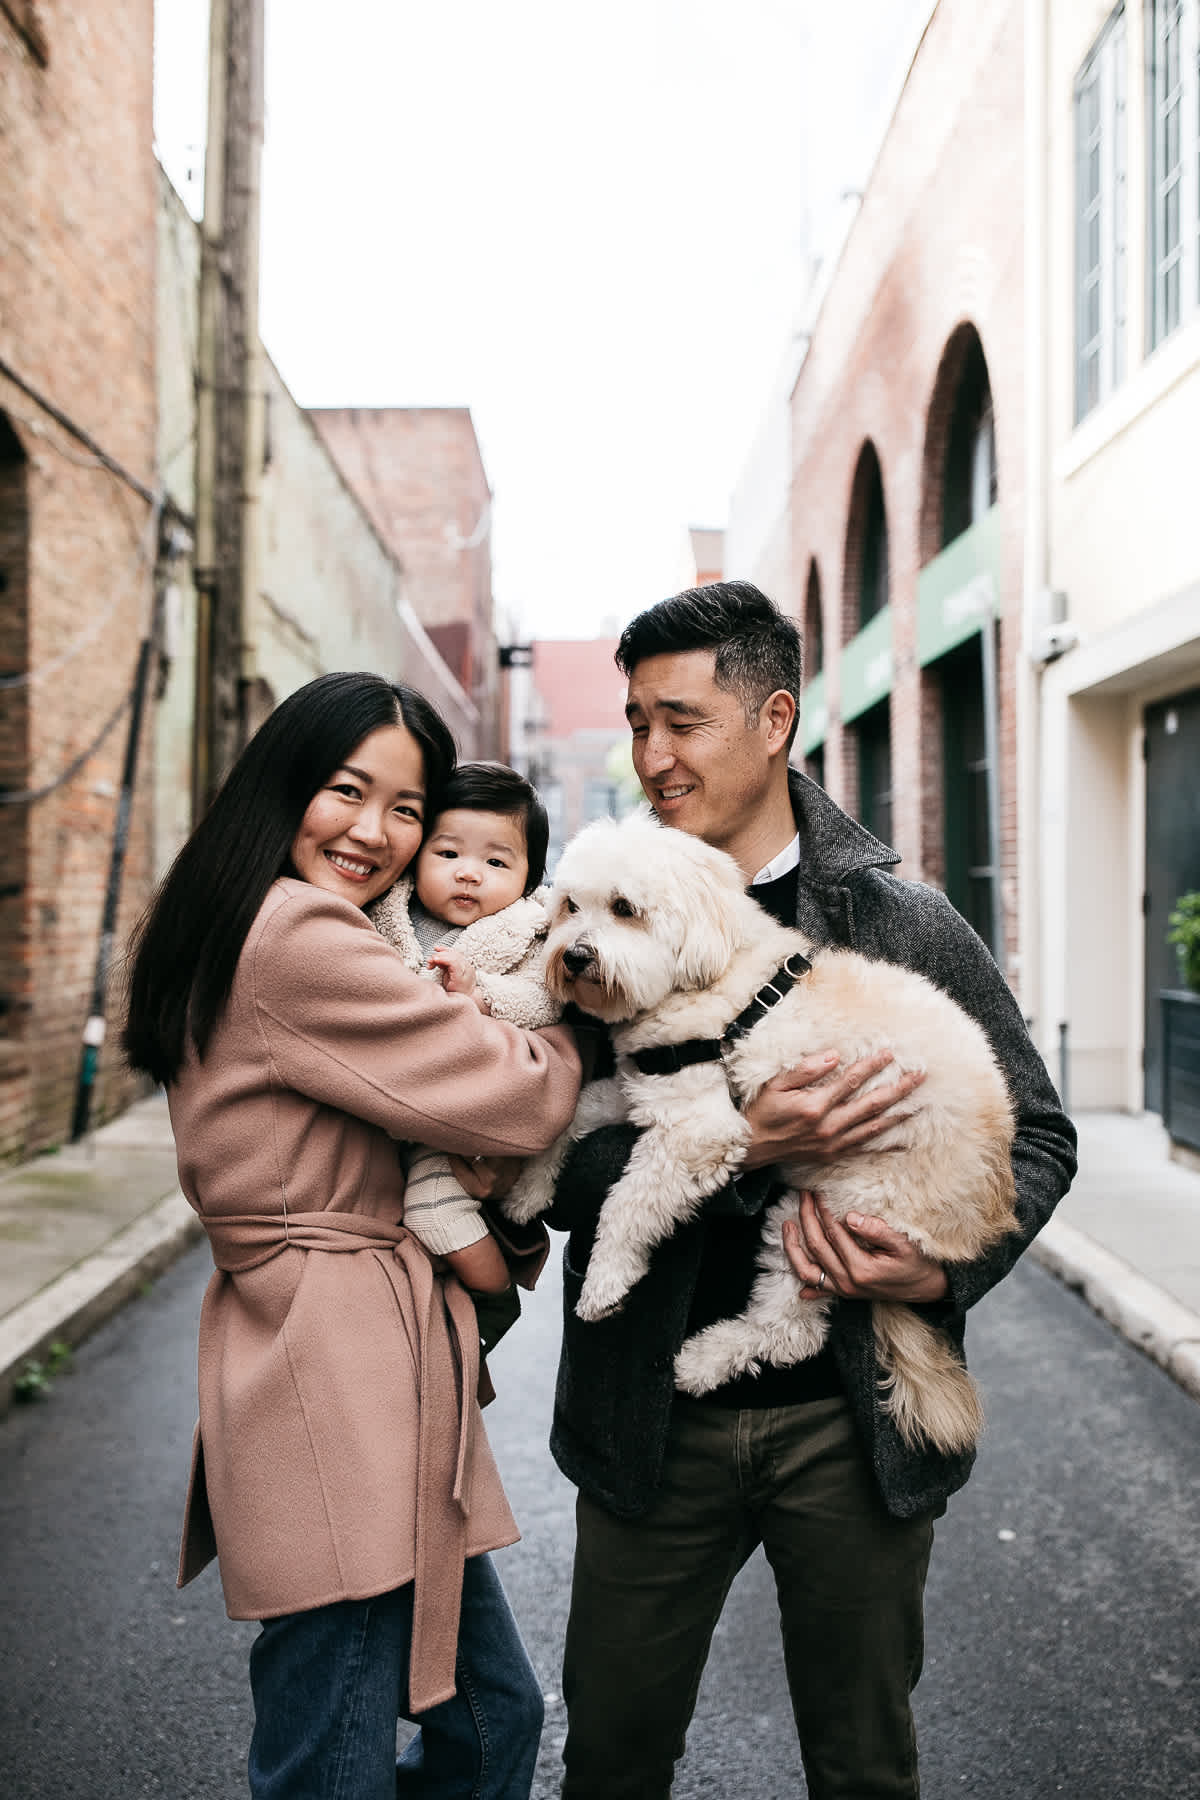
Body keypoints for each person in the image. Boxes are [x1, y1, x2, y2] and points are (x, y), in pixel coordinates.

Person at [537, 582, 1077, 1800]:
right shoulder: (592, 914)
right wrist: (749, 1145)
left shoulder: (895, 917)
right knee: (612, 1759)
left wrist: (941, 1273)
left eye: (682, 720)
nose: (652, 756)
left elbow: (1039, 1133)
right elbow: (559, 1166)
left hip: (850, 1421)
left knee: (864, 1765)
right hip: (650, 1419)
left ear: (774, 718)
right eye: (636, 724)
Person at [122, 671, 581, 1800]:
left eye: (409, 810)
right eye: (345, 790)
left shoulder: (250, 911)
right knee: (336, 1744)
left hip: (341, 1346)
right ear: (287, 784)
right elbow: (517, 1097)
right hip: (336, 1367)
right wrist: (565, 1040)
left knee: (488, 1714)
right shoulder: (299, 934)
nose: (375, 833)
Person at [370, 763, 559, 1300]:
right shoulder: (385, 915)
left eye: (495, 861)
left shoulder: (528, 932)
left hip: (455, 1124)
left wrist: (483, 998)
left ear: (530, 875)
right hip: (381, 1113)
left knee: (432, 1209)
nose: (468, 872)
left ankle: (492, 1297)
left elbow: (547, 999)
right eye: (448, 854)